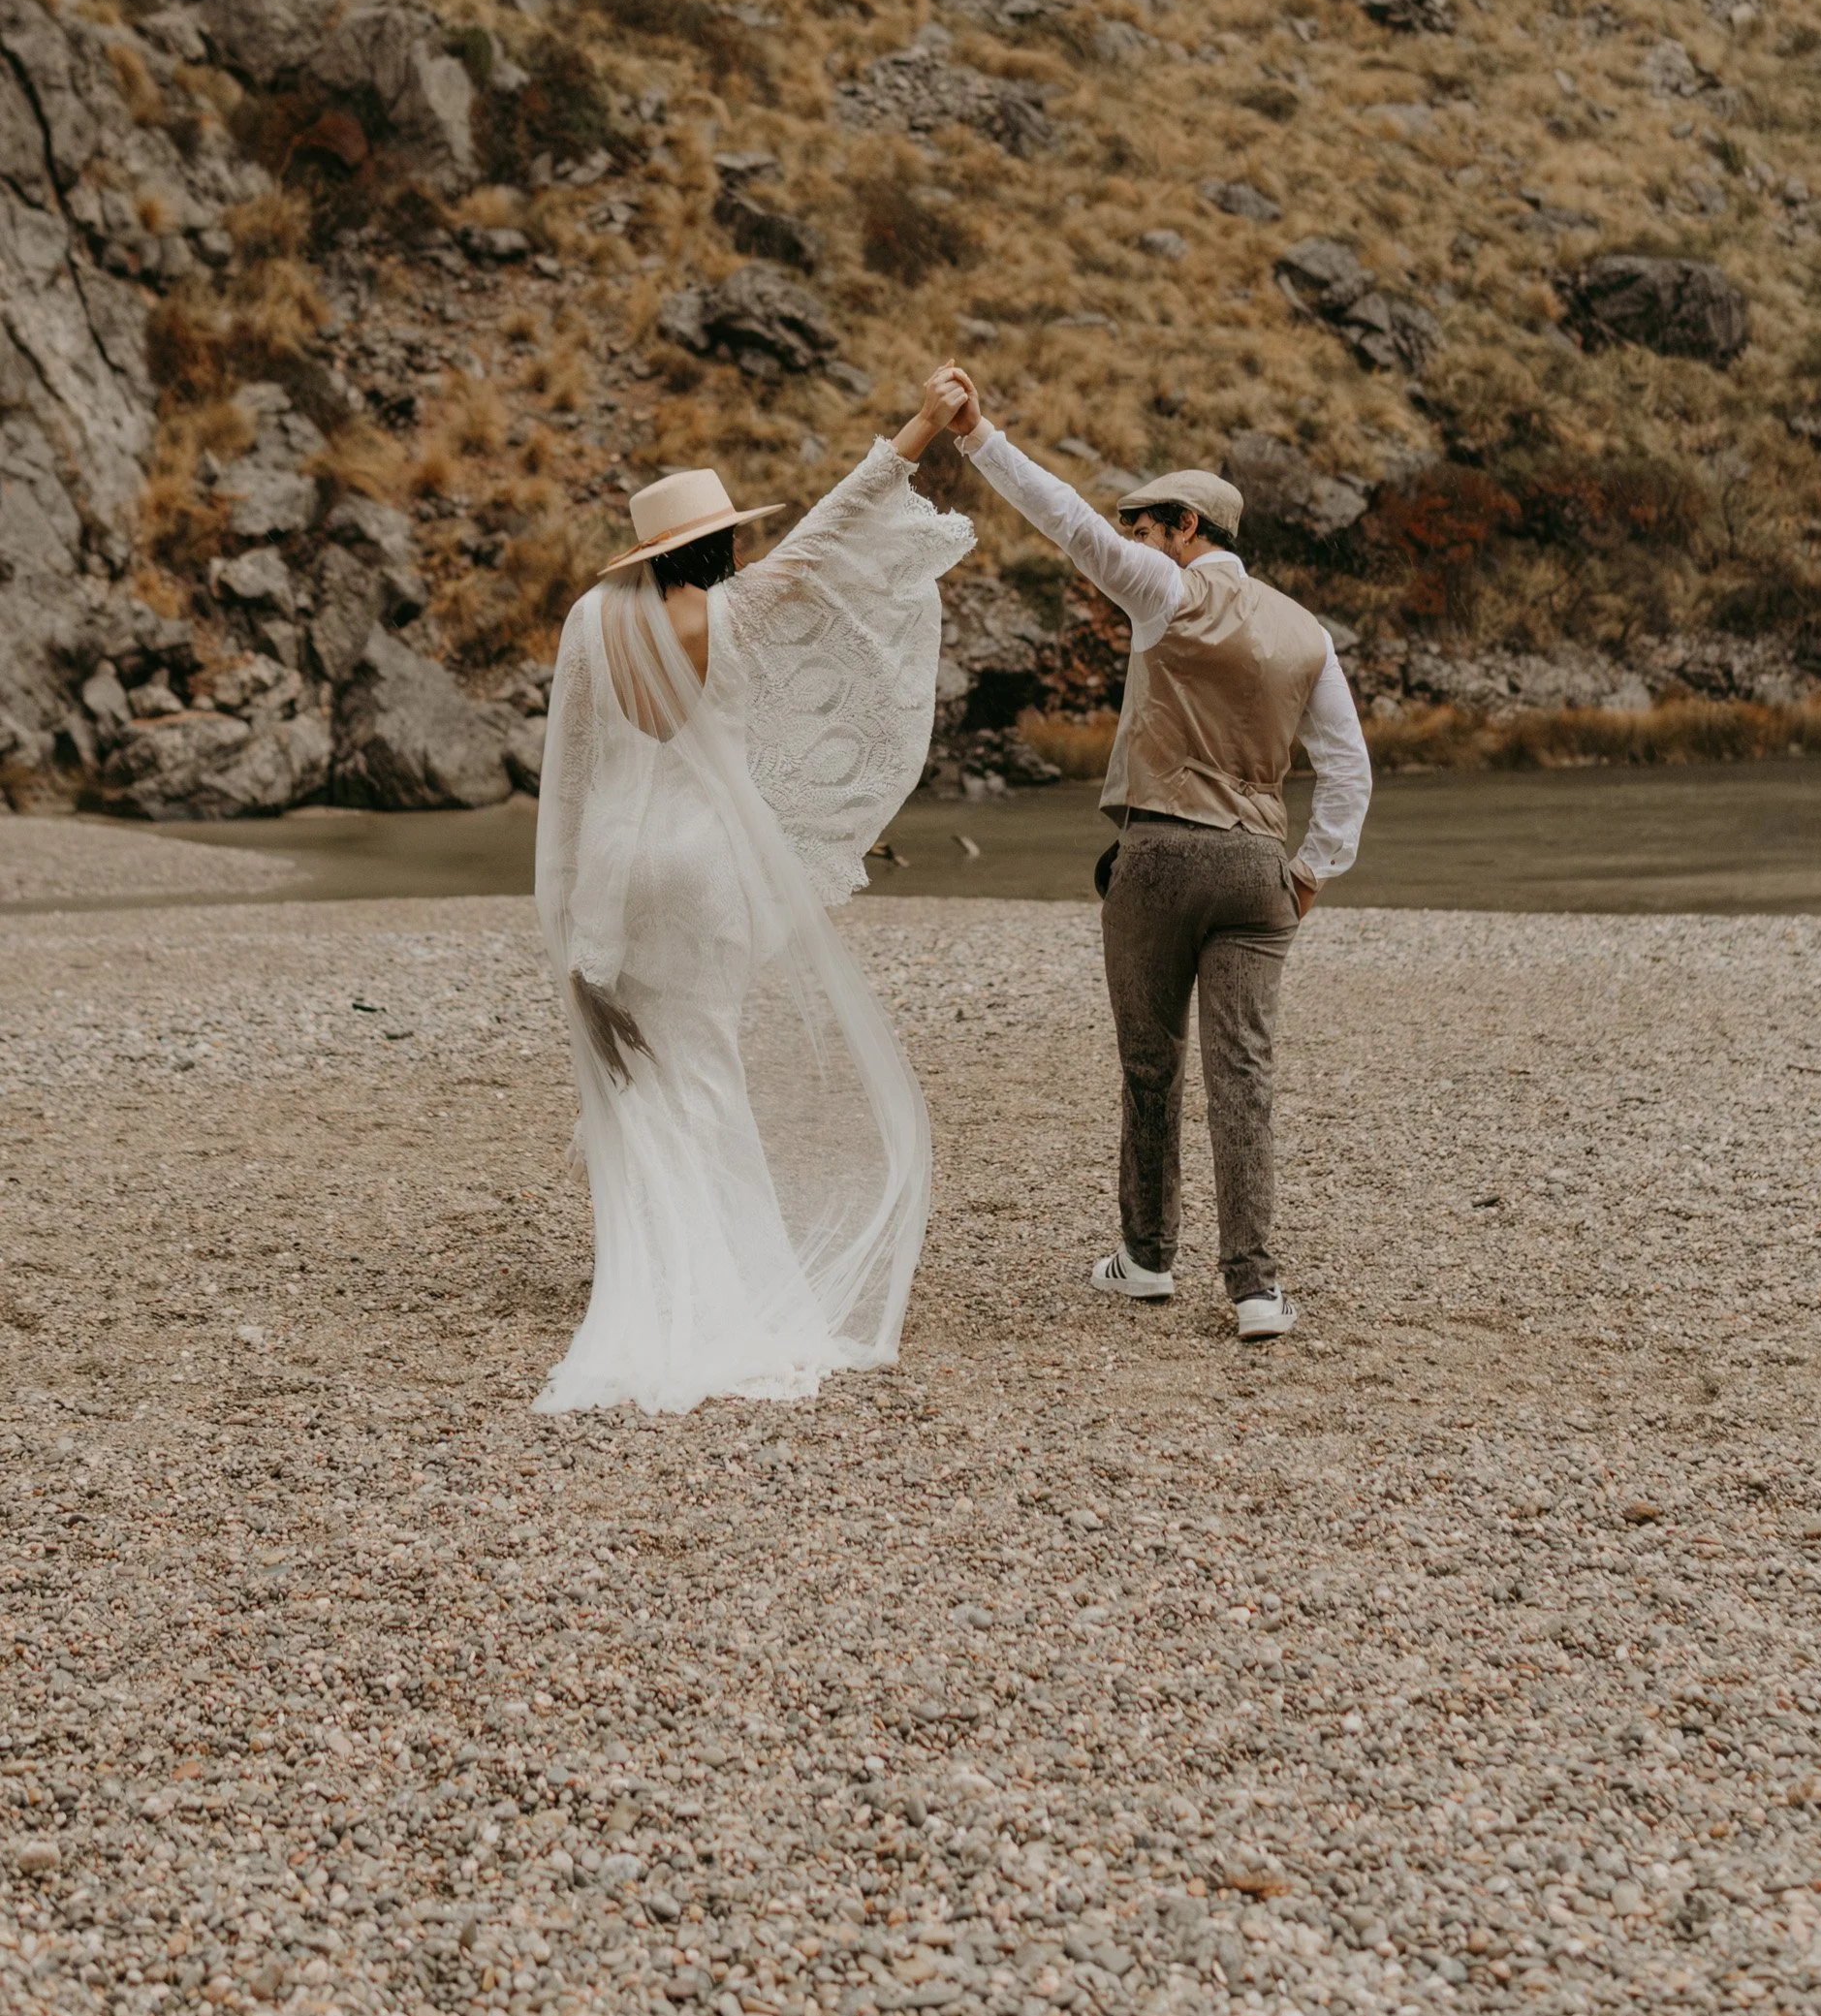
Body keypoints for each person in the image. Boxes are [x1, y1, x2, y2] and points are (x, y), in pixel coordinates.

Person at [532, 370, 975, 1415]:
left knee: (640, 1072)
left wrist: (567, 916)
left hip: (613, 858)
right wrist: (920, 424)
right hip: (701, 864)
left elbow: (577, 765)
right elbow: (833, 532)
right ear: (718, 541)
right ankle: (721, 1279)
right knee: (708, 1065)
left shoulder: (591, 619)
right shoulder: (726, 614)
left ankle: (650, 1261)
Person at [943, 371, 1371, 1341]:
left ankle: (1144, 1258)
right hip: (1258, 866)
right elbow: (1346, 769)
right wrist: (1310, 872)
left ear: (1182, 527)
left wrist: (977, 437)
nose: (1130, 541)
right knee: (1244, 1075)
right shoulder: (1307, 633)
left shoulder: (1165, 590)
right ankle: (1255, 1288)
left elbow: (1064, 519)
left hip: (1158, 856)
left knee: (1151, 1068)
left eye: (1145, 526)